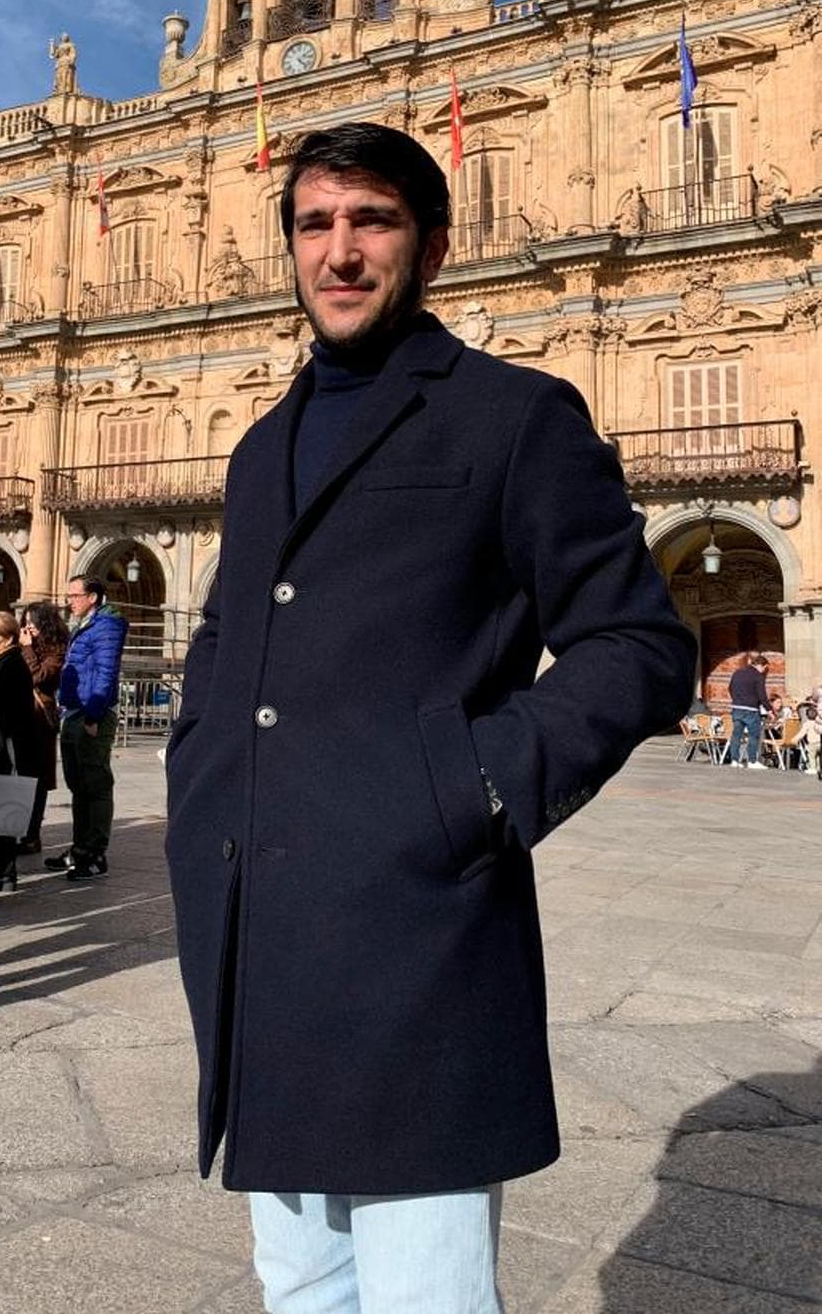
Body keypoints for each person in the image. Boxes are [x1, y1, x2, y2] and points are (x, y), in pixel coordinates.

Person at [163, 122, 697, 1314]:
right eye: (315, 224)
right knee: (300, 1286)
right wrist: (196, 778)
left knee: (426, 1293)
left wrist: (479, 783)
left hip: (415, 930)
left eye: (373, 221)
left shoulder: (513, 417)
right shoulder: (258, 450)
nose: (339, 251)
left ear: (434, 245)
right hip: (258, 929)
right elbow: (226, 642)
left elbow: (639, 643)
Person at [45, 575, 128, 882]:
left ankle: (95, 854)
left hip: (91, 713)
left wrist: (94, 715)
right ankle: (80, 848)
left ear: (92, 597)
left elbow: (106, 672)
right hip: (75, 710)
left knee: (94, 785)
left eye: (75, 595)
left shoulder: (106, 626)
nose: (70, 601)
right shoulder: (86, 624)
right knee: (78, 785)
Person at [0, 610, 40, 891]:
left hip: (6, 746)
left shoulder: (10, 665)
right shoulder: (1, 661)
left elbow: (6, 707)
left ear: (7, 638)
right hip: (2, 743)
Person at [18, 601, 69, 853]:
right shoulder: (24, 645)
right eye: (26, 622)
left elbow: (38, 677)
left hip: (40, 717)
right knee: (20, 775)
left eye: (33, 622)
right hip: (21, 715)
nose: (29, 627)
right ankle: (17, 829)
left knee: (37, 778)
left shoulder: (56, 649)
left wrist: (27, 650)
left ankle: (31, 835)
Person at [724, 652, 770, 768]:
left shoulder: (737, 672)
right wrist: (769, 709)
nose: (764, 671)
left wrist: (737, 700)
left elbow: (730, 688)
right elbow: (762, 695)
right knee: (753, 735)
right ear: (761, 665)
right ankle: (752, 761)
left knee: (736, 735)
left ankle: (734, 760)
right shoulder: (758, 676)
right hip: (751, 710)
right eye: (765, 668)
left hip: (737, 708)